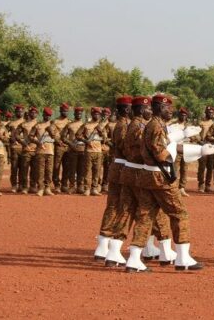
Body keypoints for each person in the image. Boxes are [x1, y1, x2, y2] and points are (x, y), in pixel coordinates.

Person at [124, 94, 203, 272]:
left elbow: (161, 145)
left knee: (145, 216)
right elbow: (161, 154)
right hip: (160, 176)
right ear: (160, 108)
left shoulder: (154, 125)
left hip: (148, 175)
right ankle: (183, 258)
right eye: (168, 108)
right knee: (179, 213)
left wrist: (194, 149)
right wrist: (186, 151)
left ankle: (134, 259)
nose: (171, 111)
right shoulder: (156, 126)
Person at [103, 96, 174, 268]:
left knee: (129, 211)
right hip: (136, 172)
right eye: (149, 108)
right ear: (142, 110)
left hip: (132, 170)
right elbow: (146, 149)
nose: (151, 110)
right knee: (150, 211)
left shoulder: (136, 125)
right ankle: (162, 250)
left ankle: (116, 250)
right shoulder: (136, 126)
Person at [93, 96, 133, 262]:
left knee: (113, 206)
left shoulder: (121, 124)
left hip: (118, 166)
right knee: (121, 206)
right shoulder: (124, 126)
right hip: (123, 167)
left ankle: (103, 245)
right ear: (126, 109)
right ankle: (110, 246)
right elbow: (126, 149)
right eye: (129, 107)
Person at [29, 107, 58, 196]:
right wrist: (37, 142)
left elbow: (57, 138)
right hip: (40, 151)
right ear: (43, 115)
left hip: (50, 151)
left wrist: (51, 132)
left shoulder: (53, 126)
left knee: (49, 171)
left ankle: (47, 188)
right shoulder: (38, 125)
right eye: (46, 115)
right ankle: (40, 188)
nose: (47, 117)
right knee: (40, 171)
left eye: (49, 116)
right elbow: (30, 136)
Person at [62, 107, 86, 194]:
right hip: (72, 150)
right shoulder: (69, 125)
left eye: (80, 114)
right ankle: (72, 186)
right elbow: (63, 137)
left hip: (83, 149)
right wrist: (70, 144)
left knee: (81, 169)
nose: (78, 115)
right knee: (72, 169)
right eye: (77, 113)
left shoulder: (85, 125)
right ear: (74, 114)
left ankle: (80, 186)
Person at [15, 107, 39, 194]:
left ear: (37, 114)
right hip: (26, 149)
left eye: (35, 113)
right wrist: (23, 142)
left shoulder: (40, 124)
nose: (33, 114)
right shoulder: (23, 124)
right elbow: (16, 135)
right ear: (29, 113)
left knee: (35, 170)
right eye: (31, 113)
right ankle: (24, 187)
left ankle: (33, 186)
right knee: (24, 169)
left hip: (37, 150)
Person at [168, 107, 191, 197]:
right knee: (175, 169)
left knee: (184, 169)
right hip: (176, 149)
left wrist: (191, 136)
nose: (183, 116)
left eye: (185, 115)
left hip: (186, 149)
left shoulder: (189, 126)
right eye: (182, 115)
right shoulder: (173, 125)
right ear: (179, 115)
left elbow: (197, 137)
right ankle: (174, 187)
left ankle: (182, 188)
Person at [52, 103, 72, 193]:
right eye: (64, 111)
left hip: (68, 147)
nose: (65, 112)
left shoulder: (70, 122)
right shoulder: (55, 121)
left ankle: (64, 184)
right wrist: (58, 141)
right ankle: (57, 185)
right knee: (56, 166)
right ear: (60, 111)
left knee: (67, 166)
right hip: (58, 146)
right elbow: (53, 133)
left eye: (67, 111)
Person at [6, 105, 26, 192]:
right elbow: (5, 134)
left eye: (21, 111)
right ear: (15, 112)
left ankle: (21, 185)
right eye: (18, 111)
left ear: (23, 112)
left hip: (24, 148)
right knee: (14, 168)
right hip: (14, 148)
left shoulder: (26, 123)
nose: (19, 113)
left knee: (23, 168)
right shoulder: (11, 124)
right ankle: (14, 185)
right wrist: (9, 138)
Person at [197, 106, 214, 193]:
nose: (210, 114)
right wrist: (199, 140)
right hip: (202, 146)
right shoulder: (200, 122)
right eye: (209, 112)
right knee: (202, 167)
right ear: (206, 113)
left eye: (212, 113)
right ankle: (201, 184)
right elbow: (196, 133)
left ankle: (208, 185)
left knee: (210, 167)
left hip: (211, 147)